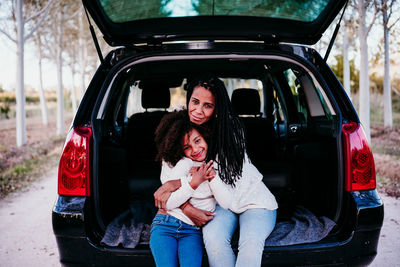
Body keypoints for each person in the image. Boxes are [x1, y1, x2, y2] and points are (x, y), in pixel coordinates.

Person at [153, 74, 278, 267]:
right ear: (188, 100)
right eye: (195, 102)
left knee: (250, 243)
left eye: (208, 106)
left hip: (251, 200)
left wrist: (174, 184)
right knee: (214, 242)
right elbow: (169, 172)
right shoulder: (177, 130)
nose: (198, 111)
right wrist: (187, 208)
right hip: (220, 204)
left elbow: (209, 173)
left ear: (216, 109)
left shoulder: (230, 130)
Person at [150, 110, 216, 267]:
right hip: (165, 224)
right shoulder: (182, 163)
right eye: (187, 147)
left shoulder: (216, 161)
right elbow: (167, 203)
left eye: (197, 140)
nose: (195, 150)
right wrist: (192, 181)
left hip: (192, 231)